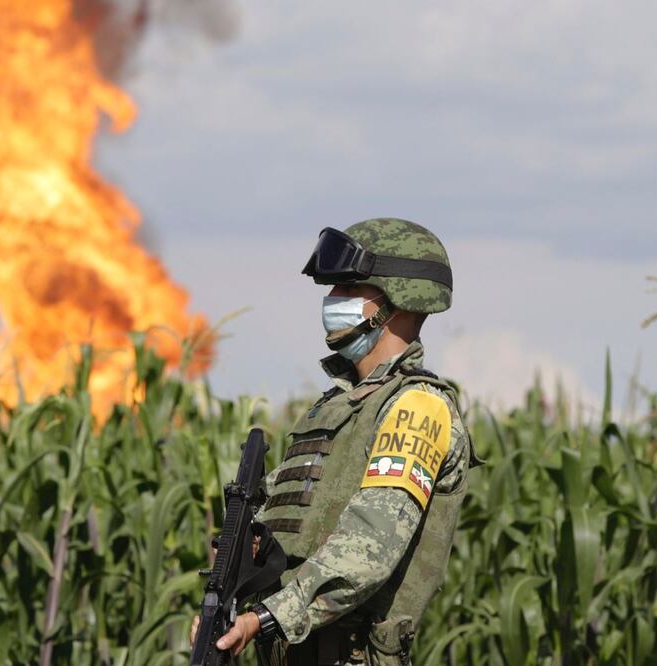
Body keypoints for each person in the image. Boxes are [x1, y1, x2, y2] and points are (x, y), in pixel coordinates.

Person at [194, 218, 476, 665]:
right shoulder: (334, 408)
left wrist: (265, 619)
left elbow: (368, 549)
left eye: (348, 291)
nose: (332, 302)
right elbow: (297, 532)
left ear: (397, 301)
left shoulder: (416, 407)